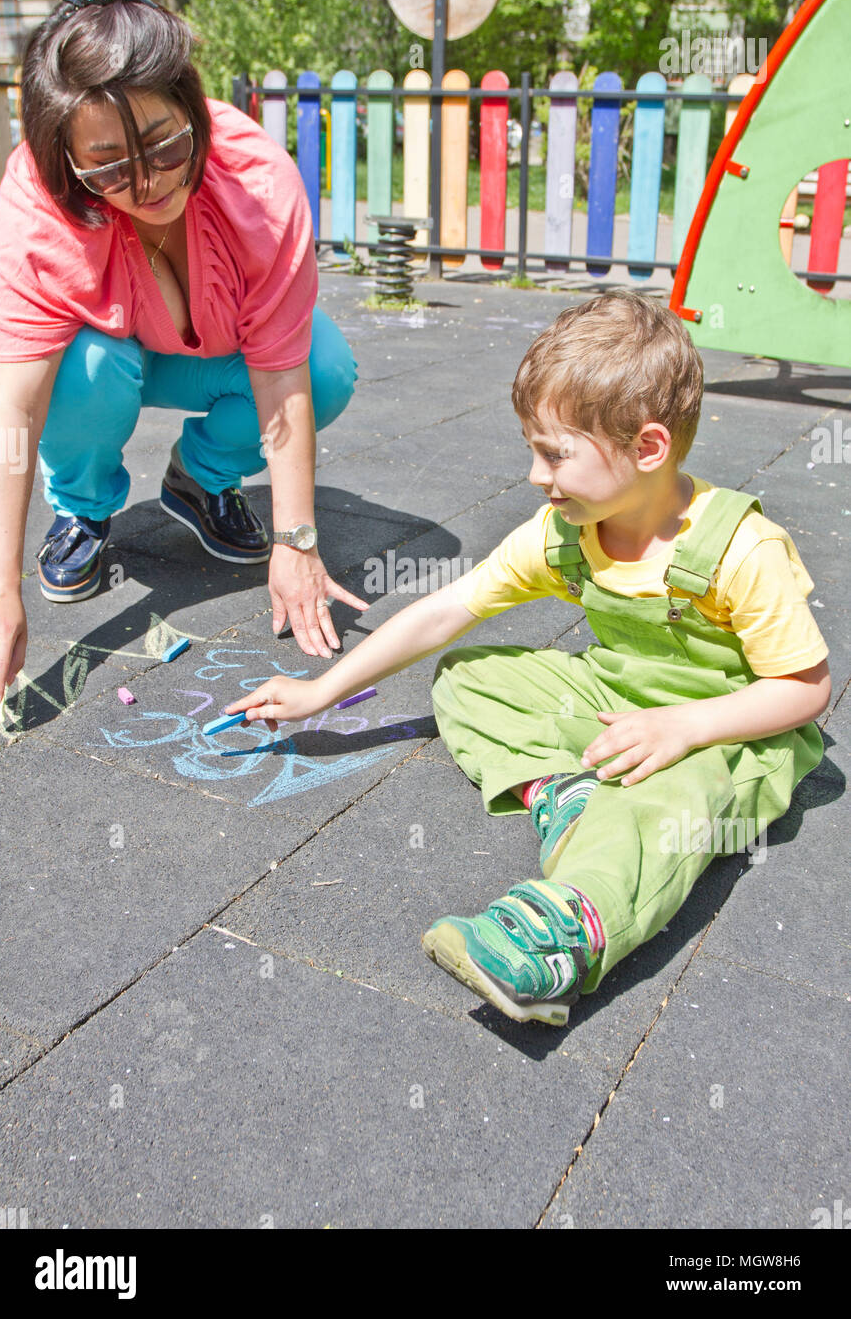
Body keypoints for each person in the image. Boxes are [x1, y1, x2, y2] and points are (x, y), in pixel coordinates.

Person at [221, 291, 831, 1026]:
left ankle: (566, 930)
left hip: (735, 730)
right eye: (532, 449)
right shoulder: (566, 531)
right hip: (621, 698)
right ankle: (566, 795)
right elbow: (449, 611)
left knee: (673, 799)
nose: (537, 475)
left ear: (647, 448)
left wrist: (686, 728)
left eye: (555, 453)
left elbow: (804, 690)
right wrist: (321, 692)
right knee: (469, 679)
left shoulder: (738, 549)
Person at [0, 0, 366, 713]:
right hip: (106, 363)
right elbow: (10, 403)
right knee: (84, 369)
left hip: (219, 356)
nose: (149, 182)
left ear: (192, 106)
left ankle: (200, 479)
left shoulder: (254, 183)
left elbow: (284, 377)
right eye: (108, 168)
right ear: (66, 163)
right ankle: (82, 509)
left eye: (164, 145)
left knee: (324, 368)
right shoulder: (39, 202)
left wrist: (297, 540)